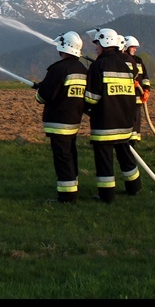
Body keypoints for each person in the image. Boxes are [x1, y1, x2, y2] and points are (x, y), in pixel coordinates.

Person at [84, 28, 142, 203]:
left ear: (104, 43)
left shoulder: (98, 66)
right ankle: (134, 187)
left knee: (104, 160)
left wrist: (84, 107)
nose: (95, 48)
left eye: (97, 44)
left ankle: (106, 195)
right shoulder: (125, 65)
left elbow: (92, 98)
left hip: (105, 124)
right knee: (126, 155)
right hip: (124, 123)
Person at [33, 31, 87, 204]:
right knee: (71, 154)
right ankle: (73, 186)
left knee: (62, 158)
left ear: (63, 47)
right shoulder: (82, 70)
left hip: (58, 122)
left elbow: (44, 97)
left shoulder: (58, 69)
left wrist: (39, 92)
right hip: (74, 121)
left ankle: (67, 196)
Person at [123, 35, 151, 145]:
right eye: (133, 47)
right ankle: (127, 140)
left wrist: (147, 90)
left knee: (136, 119)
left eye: (136, 47)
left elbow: (145, 77)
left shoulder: (139, 60)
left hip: (138, 96)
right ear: (126, 47)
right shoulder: (122, 60)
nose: (135, 49)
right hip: (127, 96)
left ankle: (134, 141)